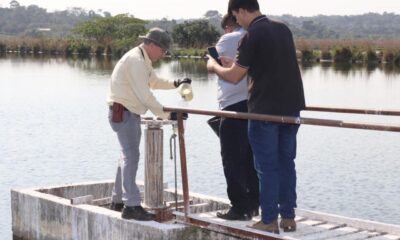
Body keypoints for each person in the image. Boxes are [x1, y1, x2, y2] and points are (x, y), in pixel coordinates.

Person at [207, 0, 305, 234]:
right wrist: (237, 65)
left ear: (241, 10)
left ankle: (269, 219)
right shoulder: (282, 28)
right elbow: (267, 66)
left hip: (264, 110)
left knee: (266, 166)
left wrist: (213, 66)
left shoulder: (251, 35)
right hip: (291, 107)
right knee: (286, 163)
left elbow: (232, 77)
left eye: (235, 16)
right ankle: (288, 217)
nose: (236, 21)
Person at [106, 27, 191, 220]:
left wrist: (175, 82)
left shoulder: (142, 58)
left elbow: (153, 81)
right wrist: (167, 115)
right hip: (124, 113)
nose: (163, 54)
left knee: (126, 156)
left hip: (126, 112)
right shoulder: (136, 60)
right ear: (152, 45)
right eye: (163, 50)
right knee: (131, 157)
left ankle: (118, 200)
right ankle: (131, 206)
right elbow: (146, 95)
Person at [209, 14, 259, 221]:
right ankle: (254, 204)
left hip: (232, 106)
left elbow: (214, 64)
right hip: (254, 104)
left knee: (231, 159)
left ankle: (239, 207)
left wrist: (211, 62)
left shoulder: (228, 39)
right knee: (250, 159)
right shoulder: (254, 37)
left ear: (229, 26)